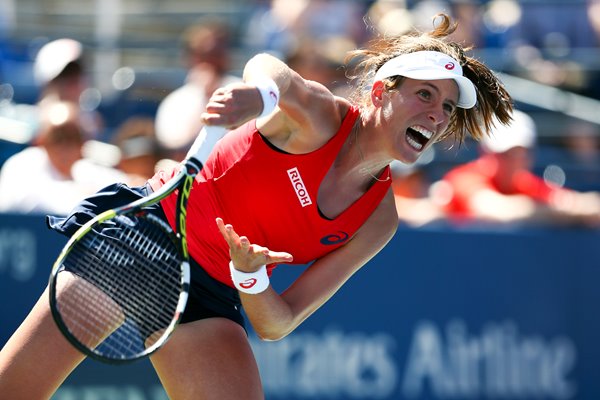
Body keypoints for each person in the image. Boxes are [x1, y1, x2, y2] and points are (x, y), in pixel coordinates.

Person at [0, 14, 512, 399]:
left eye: (446, 106)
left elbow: (277, 321)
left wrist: (250, 277)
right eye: (425, 94)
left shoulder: (380, 220)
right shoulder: (317, 117)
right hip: (148, 235)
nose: (437, 114)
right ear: (380, 92)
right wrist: (259, 100)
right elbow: (274, 72)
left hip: (214, 289)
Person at [436, 109, 600, 227]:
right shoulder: (464, 178)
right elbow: (491, 210)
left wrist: (576, 207)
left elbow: (578, 204)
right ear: (485, 152)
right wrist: (554, 211)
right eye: (505, 153)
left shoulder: (525, 184)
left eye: (521, 154)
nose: (514, 161)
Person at [0, 101, 126, 215]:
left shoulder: (85, 170)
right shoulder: (22, 164)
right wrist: (82, 194)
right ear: (41, 140)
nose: (65, 145)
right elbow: (22, 204)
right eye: (58, 136)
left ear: (83, 143)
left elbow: (121, 186)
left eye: (73, 137)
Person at [154, 20, 241, 162]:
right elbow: (175, 147)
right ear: (191, 57)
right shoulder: (176, 101)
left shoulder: (244, 89)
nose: (212, 61)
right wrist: (205, 97)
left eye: (218, 53)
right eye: (206, 54)